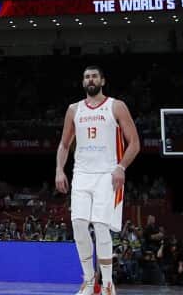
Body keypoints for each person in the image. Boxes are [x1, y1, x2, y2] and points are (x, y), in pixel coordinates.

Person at [55, 66, 140, 295]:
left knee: (101, 226)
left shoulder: (116, 106)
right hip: (81, 174)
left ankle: (108, 283)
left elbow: (134, 143)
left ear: (102, 80)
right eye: (86, 77)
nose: (90, 79)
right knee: (79, 225)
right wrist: (59, 170)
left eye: (94, 76)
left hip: (107, 174)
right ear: (83, 82)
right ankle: (89, 280)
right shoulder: (74, 109)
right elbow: (64, 144)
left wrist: (121, 167)